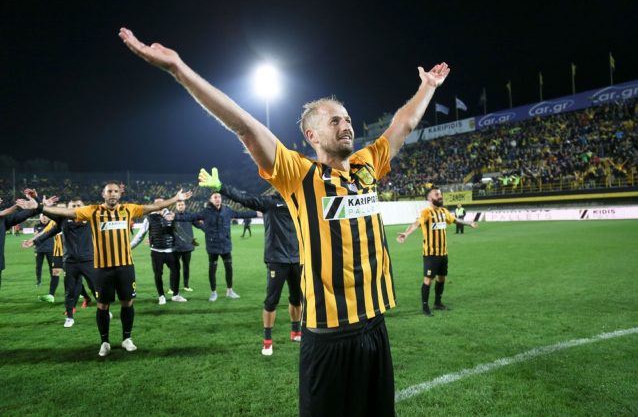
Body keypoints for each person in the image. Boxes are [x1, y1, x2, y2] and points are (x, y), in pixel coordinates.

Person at [120, 27, 449, 415]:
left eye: (347, 119)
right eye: (334, 121)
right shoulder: (299, 174)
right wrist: (179, 69)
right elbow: (244, 125)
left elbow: (403, 124)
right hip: (328, 334)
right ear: (312, 135)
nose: (346, 125)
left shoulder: (368, 164)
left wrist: (427, 87)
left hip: (375, 326)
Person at [19, 182, 192, 356]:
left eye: (116, 191)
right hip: (102, 268)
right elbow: (66, 213)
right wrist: (40, 206)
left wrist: (176, 198)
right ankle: (105, 342)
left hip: (125, 266)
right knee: (102, 305)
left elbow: (154, 207)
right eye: (109, 191)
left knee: (127, 303)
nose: (113, 194)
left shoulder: (128, 209)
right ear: (103, 194)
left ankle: (127, 338)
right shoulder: (92, 211)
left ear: (120, 194)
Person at [200, 168, 301, 356]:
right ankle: (267, 341)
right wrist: (221, 187)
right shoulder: (269, 202)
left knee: (297, 299)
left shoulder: (301, 202)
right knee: (271, 302)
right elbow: (243, 198)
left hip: (298, 259)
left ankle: (296, 331)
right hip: (276, 260)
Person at [396, 187, 478, 316]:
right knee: (428, 280)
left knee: (441, 278)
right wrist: (406, 233)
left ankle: (438, 303)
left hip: (443, 253)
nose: (440, 196)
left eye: (440, 194)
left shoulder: (444, 211)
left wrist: (469, 223)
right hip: (431, 254)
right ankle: (425, 307)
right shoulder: (426, 212)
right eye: (436, 194)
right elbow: (416, 223)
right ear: (429, 198)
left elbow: (455, 220)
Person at [25, 197, 97, 327]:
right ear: (68, 208)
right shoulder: (63, 220)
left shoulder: (91, 218)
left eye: (78, 205)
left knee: (95, 287)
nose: (76, 208)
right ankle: (69, 317)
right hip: (70, 262)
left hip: (88, 260)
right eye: (73, 206)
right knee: (69, 291)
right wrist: (35, 241)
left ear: (84, 207)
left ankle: (103, 311)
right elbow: (49, 230)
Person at [174, 191, 257, 301]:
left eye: (219, 197)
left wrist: (257, 213)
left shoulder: (227, 210)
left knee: (229, 268)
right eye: (215, 197)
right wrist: (175, 217)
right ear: (211, 200)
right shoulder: (206, 212)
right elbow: (190, 217)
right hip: (212, 246)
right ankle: (213, 293)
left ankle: (230, 291)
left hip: (225, 245)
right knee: (212, 270)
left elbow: (240, 214)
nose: (218, 199)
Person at [130, 198, 187, 304]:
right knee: (158, 274)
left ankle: (176, 295)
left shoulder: (171, 215)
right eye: (157, 203)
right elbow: (140, 235)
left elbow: (179, 231)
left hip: (171, 251)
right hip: (156, 252)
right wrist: (129, 247)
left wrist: (189, 240)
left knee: (176, 272)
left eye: (161, 202)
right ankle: (161, 296)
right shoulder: (149, 218)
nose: (160, 204)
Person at [0, 194, 46, 290]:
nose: (1, 200)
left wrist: (38, 203)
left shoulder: (3, 219)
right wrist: (15, 206)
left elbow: (28, 213)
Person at [23, 214, 55, 294]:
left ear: (48, 217)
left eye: (45, 217)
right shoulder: (37, 226)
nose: (44, 218)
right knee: (38, 267)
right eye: (42, 217)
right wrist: (30, 241)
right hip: (39, 249)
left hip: (50, 249)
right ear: (40, 218)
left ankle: (53, 280)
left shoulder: (52, 224)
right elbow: (36, 235)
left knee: (51, 266)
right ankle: (38, 281)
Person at [172, 199, 200, 292]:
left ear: (185, 206)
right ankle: (173, 287)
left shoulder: (190, 216)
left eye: (182, 204)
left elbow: (198, 225)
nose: (181, 206)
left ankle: (186, 285)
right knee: (175, 268)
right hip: (176, 246)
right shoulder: (172, 216)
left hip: (187, 246)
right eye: (179, 205)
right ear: (176, 206)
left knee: (186, 267)